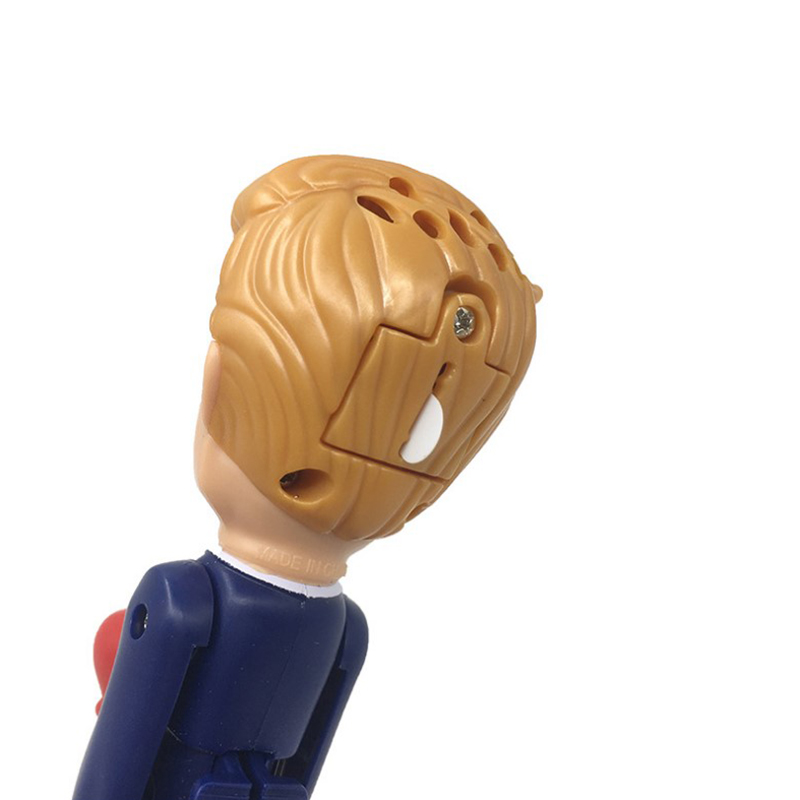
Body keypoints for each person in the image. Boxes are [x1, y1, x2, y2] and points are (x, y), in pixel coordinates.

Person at [73, 155, 542, 800]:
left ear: (214, 388)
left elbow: (113, 771)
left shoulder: (184, 600)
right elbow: (306, 767)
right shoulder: (346, 629)